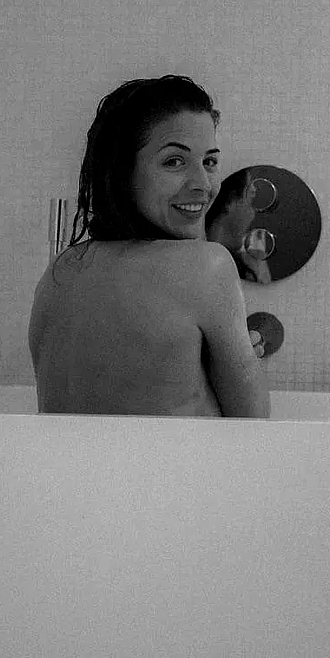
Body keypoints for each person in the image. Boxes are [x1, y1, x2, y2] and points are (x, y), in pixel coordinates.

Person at [28, 75, 270, 418]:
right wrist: (242, 359)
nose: (202, 184)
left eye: (209, 162)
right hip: (171, 458)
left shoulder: (62, 268)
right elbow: (254, 423)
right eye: (174, 161)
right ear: (123, 172)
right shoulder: (207, 266)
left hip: (60, 456)